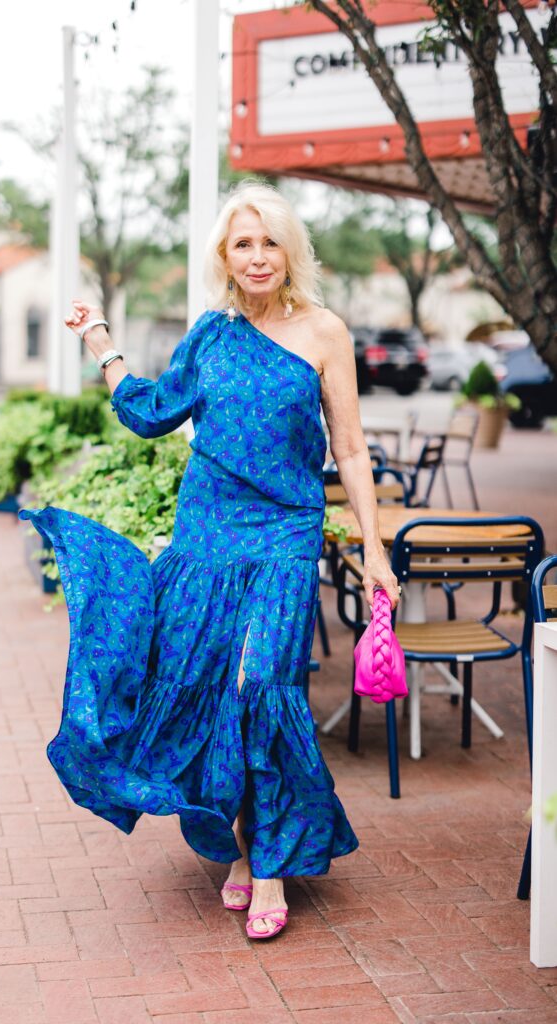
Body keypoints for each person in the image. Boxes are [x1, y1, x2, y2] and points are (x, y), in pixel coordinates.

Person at [21, 181, 399, 940]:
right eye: (241, 244)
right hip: (206, 537)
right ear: (224, 258)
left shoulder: (324, 332)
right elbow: (151, 413)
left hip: (285, 534)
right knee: (203, 690)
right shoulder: (209, 334)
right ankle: (236, 843)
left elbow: (350, 450)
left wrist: (374, 549)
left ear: (289, 251)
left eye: (267, 242)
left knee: (259, 684)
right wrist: (101, 342)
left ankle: (270, 867)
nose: (256, 257)